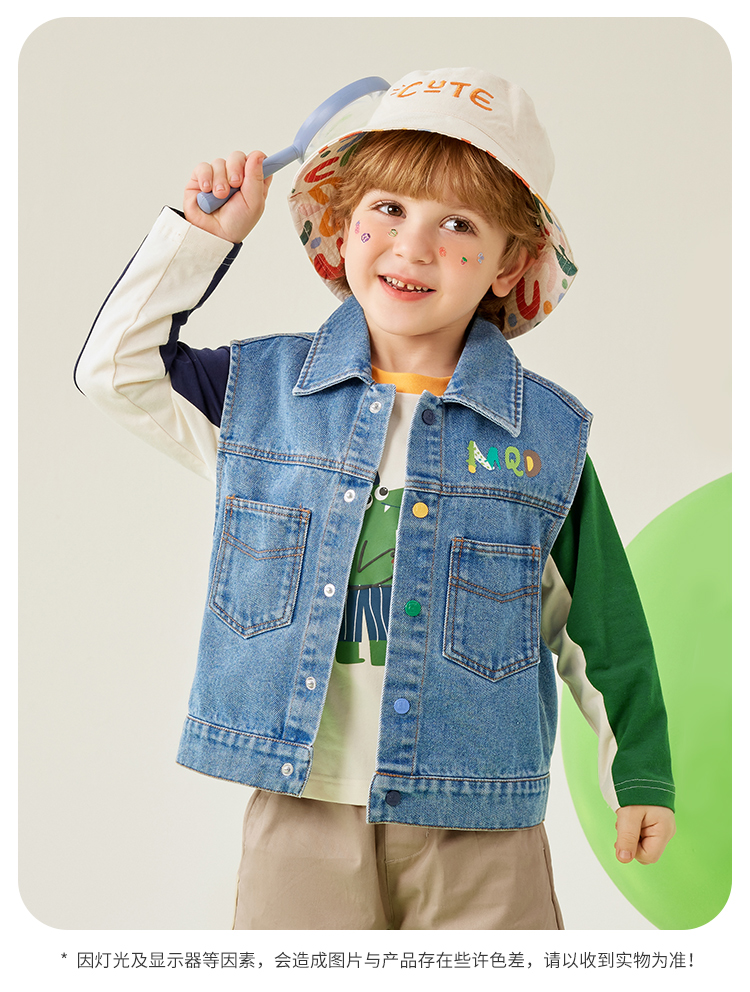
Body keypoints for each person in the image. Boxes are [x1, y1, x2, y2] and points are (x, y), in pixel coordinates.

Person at [74, 67, 675, 930]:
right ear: (342, 223)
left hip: (480, 822)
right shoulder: (260, 398)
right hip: (302, 808)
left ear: (510, 263)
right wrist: (199, 241)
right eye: (388, 208)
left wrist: (639, 775)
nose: (413, 246)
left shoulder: (542, 439)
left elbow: (601, 626)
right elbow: (114, 370)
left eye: (458, 224)